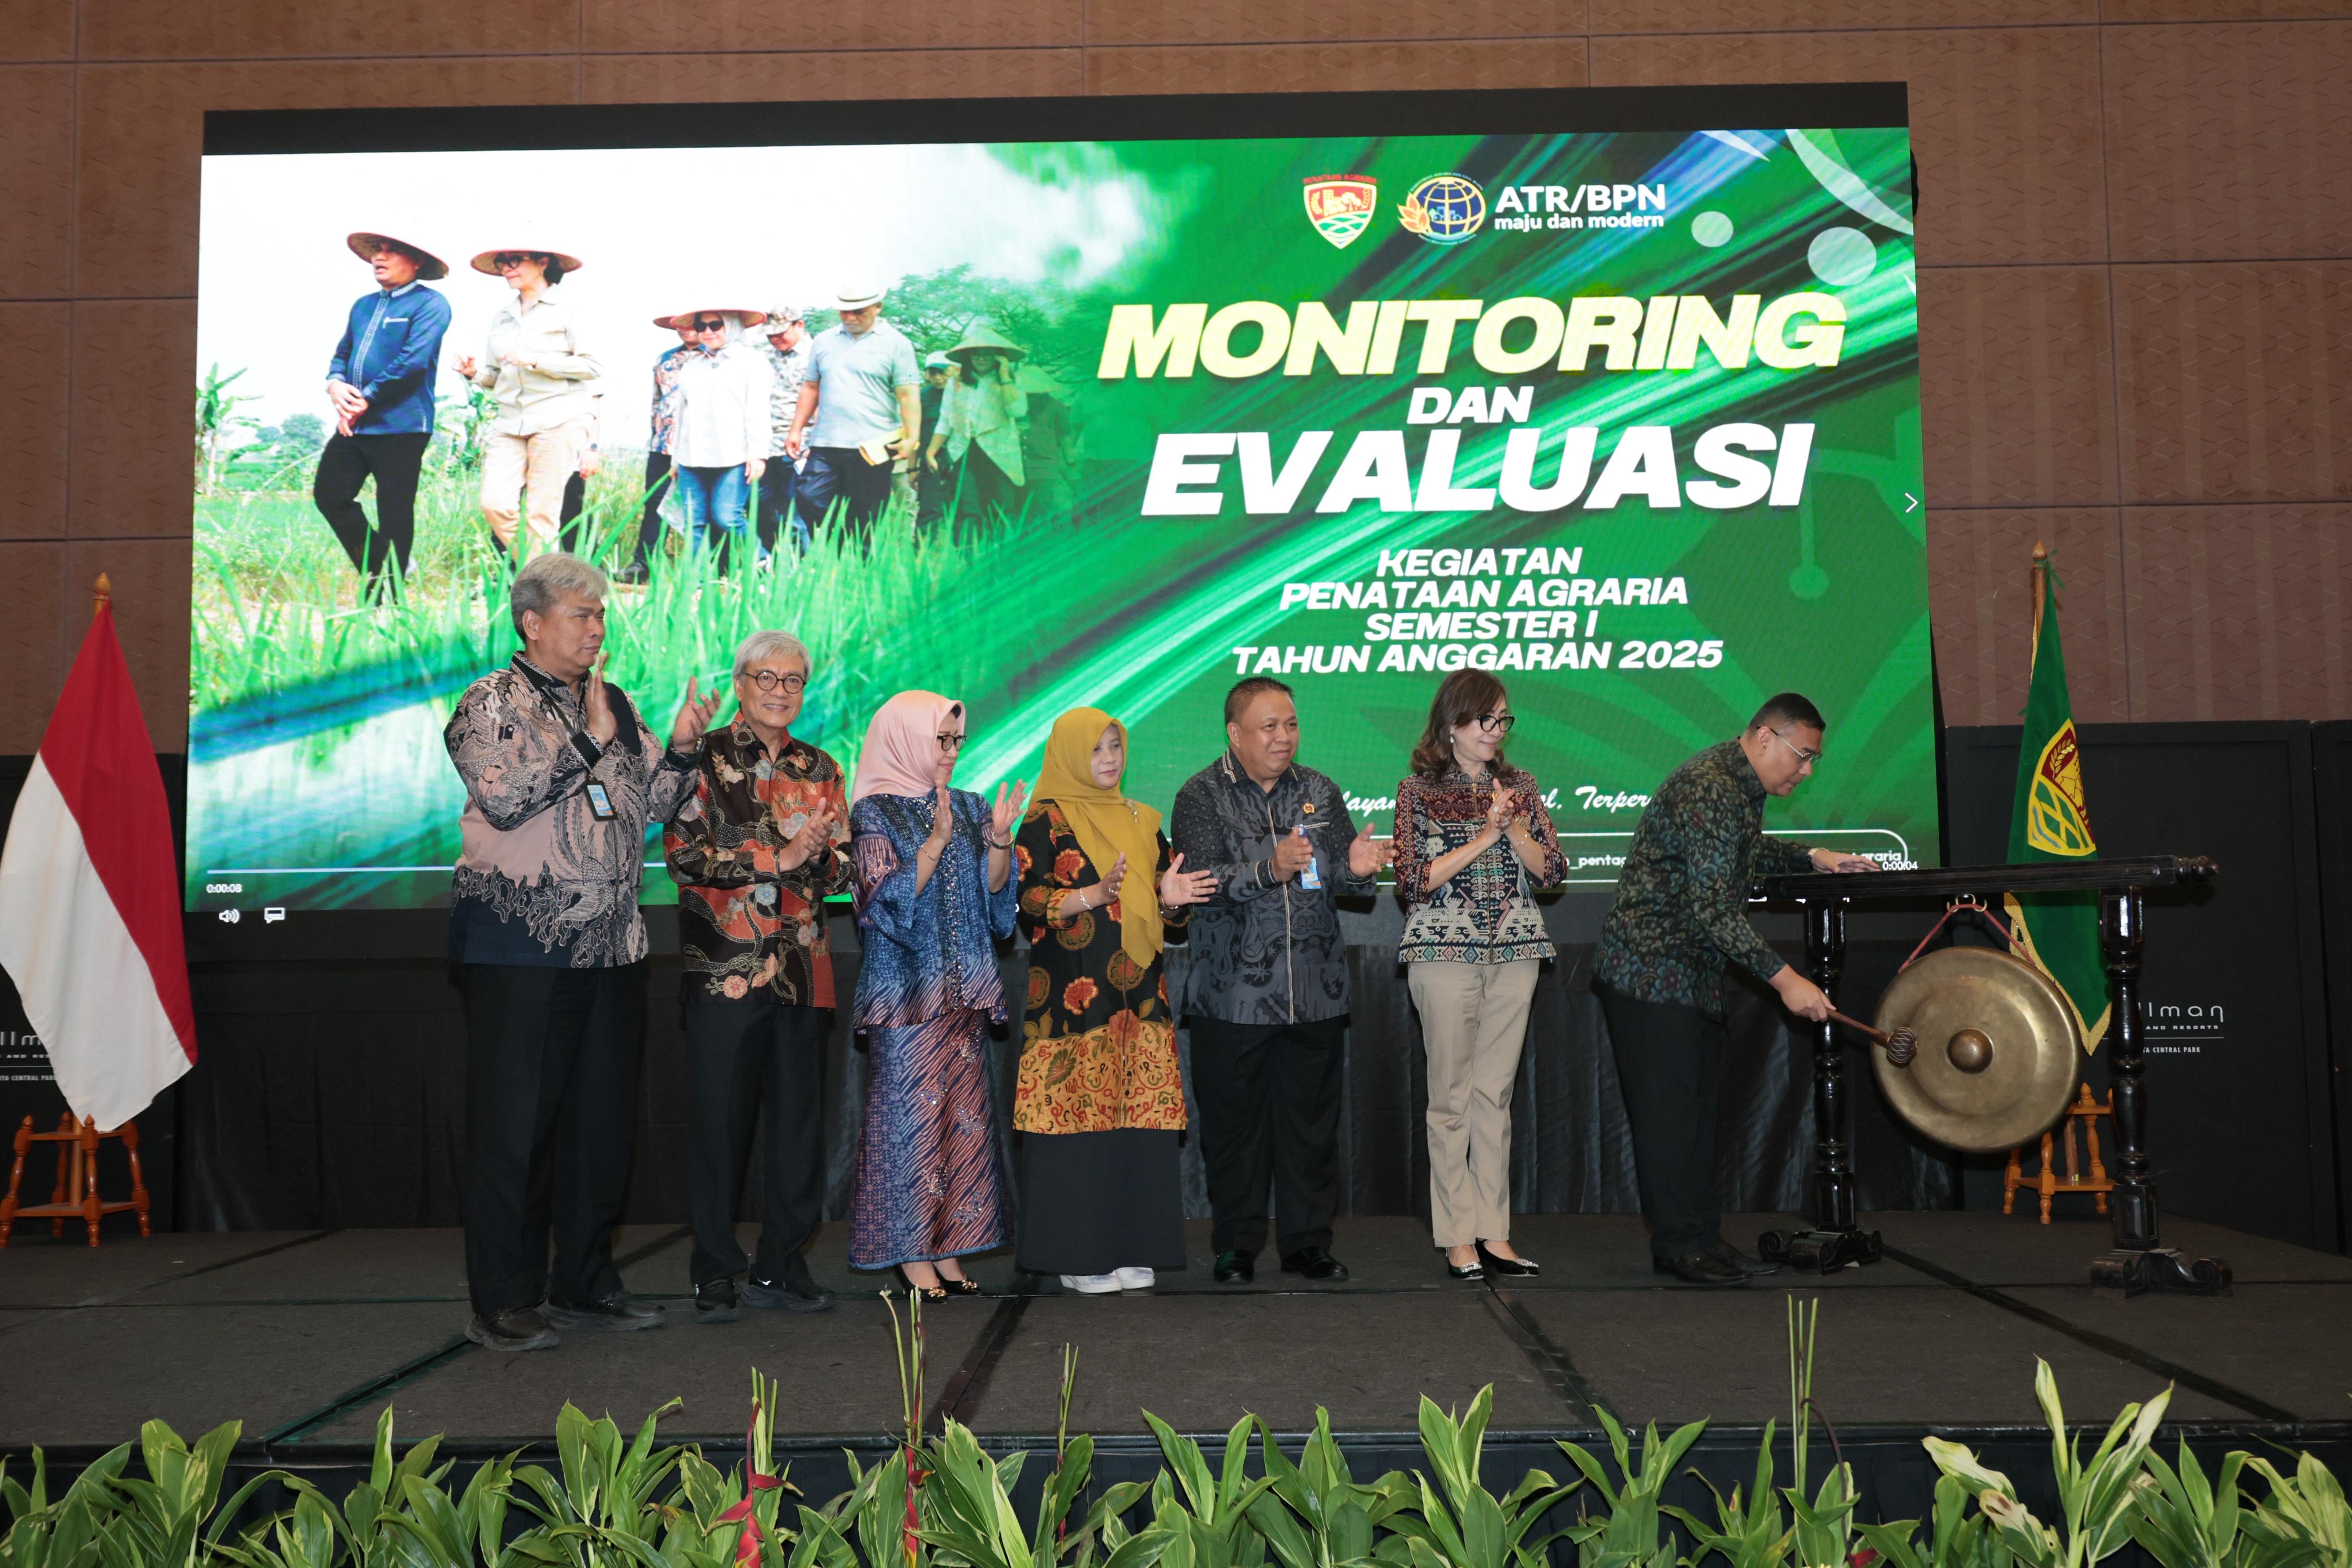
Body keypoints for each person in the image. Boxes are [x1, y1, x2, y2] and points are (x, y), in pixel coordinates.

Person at [443, 551, 723, 1352]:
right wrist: (590, 743)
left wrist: (680, 750)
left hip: (612, 947)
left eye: (601, 614)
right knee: (517, 1127)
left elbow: (651, 804)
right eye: (582, 614)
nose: (598, 628)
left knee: (599, 1128)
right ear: (532, 622)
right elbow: (503, 796)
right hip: (521, 945)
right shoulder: (489, 701)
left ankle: (586, 1284)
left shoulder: (614, 700)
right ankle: (504, 1298)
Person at [1594, 692, 1880, 1287]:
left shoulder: (1737, 785)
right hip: (1650, 973)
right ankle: (1681, 1245)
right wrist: (1787, 981)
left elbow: (1742, 853)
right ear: (1765, 737)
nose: (1806, 772)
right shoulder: (1712, 787)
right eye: (1803, 756)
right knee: (1671, 1120)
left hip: (1688, 976)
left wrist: (1815, 857)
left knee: (1695, 1119)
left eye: (1814, 761)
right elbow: (1713, 910)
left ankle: (1701, 1239)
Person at [1169, 676, 1393, 1285]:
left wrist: (1357, 869)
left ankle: (1307, 1244)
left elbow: (1341, 877)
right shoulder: (1200, 795)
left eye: (1291, 724)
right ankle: (1236, 1245)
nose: (1284, 737)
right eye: (1269, 726)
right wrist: (1270, 869)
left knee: (1310, 1130)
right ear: (1235, 733)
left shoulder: (1318, 788)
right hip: (1233, 996)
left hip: (1315, 991)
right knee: (1234, 1132)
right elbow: (1203, 882)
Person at [664, 630, 850, 1323]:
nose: (779, 690)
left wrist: (818, 855)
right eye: (765, 677)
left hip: (802, 969)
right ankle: (714, 1268)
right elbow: (685, 856)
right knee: (720, 1126)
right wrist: (781, 855)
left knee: (797, 1129)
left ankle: (780, 1264)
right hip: (725, 970)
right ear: (739, 683)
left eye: (792, 679)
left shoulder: (820, 766)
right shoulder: (703, 756)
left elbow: (844, 870)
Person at [1013, 708, 1218, 1294]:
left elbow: (1168, 914)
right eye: (1096, 748)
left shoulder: (1141, 819)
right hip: (1071, 1001)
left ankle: (1132, 1244)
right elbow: (1028, 900)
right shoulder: (1044, 820)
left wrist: (1172, 899)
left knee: (1138, 1118)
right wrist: (1093, 894)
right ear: (1069, 754)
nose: (1109, 759)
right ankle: (1077, 1253)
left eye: (1116, 746)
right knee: (1075, 1117)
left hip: (1141, 1000)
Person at [847, 692, 1027, 1296]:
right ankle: (910, 1254)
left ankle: (950, 1247)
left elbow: (996, 899)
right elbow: (881, 900)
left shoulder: (971, 805)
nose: (951, 752)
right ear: (905, 740)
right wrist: (933, 842)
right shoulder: (874, 811)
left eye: (956, 741)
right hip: (904, 998)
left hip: (964, 993)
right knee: (911, 1128)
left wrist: (998, 840)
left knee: (962, 1128)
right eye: (940, 740)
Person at [1391, 671, 1566, 1282]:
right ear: (1452, 725)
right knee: (1451, 1098)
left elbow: (1552, 870)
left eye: (1502, 720)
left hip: (1517, 949)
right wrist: (1483, 837)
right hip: (1441, 951)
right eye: (1484, 719)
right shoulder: (1416, 791)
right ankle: (1457, 1237)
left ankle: (1495, 1233)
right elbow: (1412, 881)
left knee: (1495, 1095)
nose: (1495, 731)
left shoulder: (1521, 786)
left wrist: (1511, 827)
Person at [313, 231, 453, 599]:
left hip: (404, 426)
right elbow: (343, 354)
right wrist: (335, 385)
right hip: (356, 425)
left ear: (417, 261)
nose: (380, 257)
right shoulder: (363, 306)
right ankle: (390, 567)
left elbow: (413, 363)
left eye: (392, 252)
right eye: (378, 250)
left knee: (394, 512)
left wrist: (367, 399)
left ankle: (385, 596)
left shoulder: (431, 304)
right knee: (330, 496)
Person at [459, 243, 602, 555]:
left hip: (558, 419)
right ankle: (541, 568)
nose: (506, 268)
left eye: (514, 261)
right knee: (495, 504)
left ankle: (541, 580)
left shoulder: (570, 309)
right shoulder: (502, 317)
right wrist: (474, 374)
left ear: (543, 263)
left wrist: (536, 360)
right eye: (502, 263)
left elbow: (592, 367)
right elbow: (497, 376)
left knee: (542, 515)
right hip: (510, 422)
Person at [785, 283, 920, 548]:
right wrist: (796, 430)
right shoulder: (824, 341)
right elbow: (811, 387)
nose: (850, 318)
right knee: (810, 497)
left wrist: (912, 437)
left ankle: (860, 564)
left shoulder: (897, 344)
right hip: (826, 442)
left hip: (873, 445)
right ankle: (836, 548)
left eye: (858, 312)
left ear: (877, 308)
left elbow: (907, 394)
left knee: (867, 514)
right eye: (844, 312)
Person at [665, 306, 773, 573]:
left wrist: (758, 454)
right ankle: (698, 582)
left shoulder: (752, 362)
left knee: (727, 517)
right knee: (695, 523)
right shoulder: (693, 365)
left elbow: (758, 411)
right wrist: (675, 459)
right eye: (701, 327)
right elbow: (682, 415)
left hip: (734, 455)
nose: (708, 332)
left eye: (715, 325)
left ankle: (763, 561)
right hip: (692, 457)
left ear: (731, 326)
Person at [616, 320, 698, 585]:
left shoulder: (716, 359)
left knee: (704, 508)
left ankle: (711, 568)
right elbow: (656, 403)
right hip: (663, 446)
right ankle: (643, 565)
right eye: (680, 324)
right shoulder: (665, 360)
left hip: (700, 448)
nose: (686, 328)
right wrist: (656, 437)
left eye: (691, 323)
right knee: (655, 504)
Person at [926, 322, 1027, 530]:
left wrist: (1005, 376)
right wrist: (931, 452)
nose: (982, 359)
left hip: (999, 452)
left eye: (988, 354)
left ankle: (1003, 550)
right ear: (968, 357)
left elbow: (1018, 412)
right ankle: (970, 550)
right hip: (964, 451)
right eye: (976, 355)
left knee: (1002, 507)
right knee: (968, 508)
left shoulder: (1011, 382)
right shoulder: (956, 382)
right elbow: (946, 419)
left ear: (998, 357)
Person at [753, 305, 814, 556]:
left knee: (795, 513)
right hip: (766, 447)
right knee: (763, 508)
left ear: (799, 326)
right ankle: (770, 565)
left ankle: (801, 568)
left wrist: (815, 443)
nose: (775, 339)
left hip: (800, 445)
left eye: (781, 333)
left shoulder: (817, 355)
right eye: (770, 334)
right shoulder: (763, 356)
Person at [915, 352, 951, 532]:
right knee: (929, 509)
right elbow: (915, 433)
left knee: (963, 509)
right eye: (933, 373)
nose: (938, 378)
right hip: (930, 462)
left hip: (958, 459)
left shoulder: (964, 393)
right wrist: (912, 468)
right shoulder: (922, 397)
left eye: (942, 373)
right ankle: (923, 547)